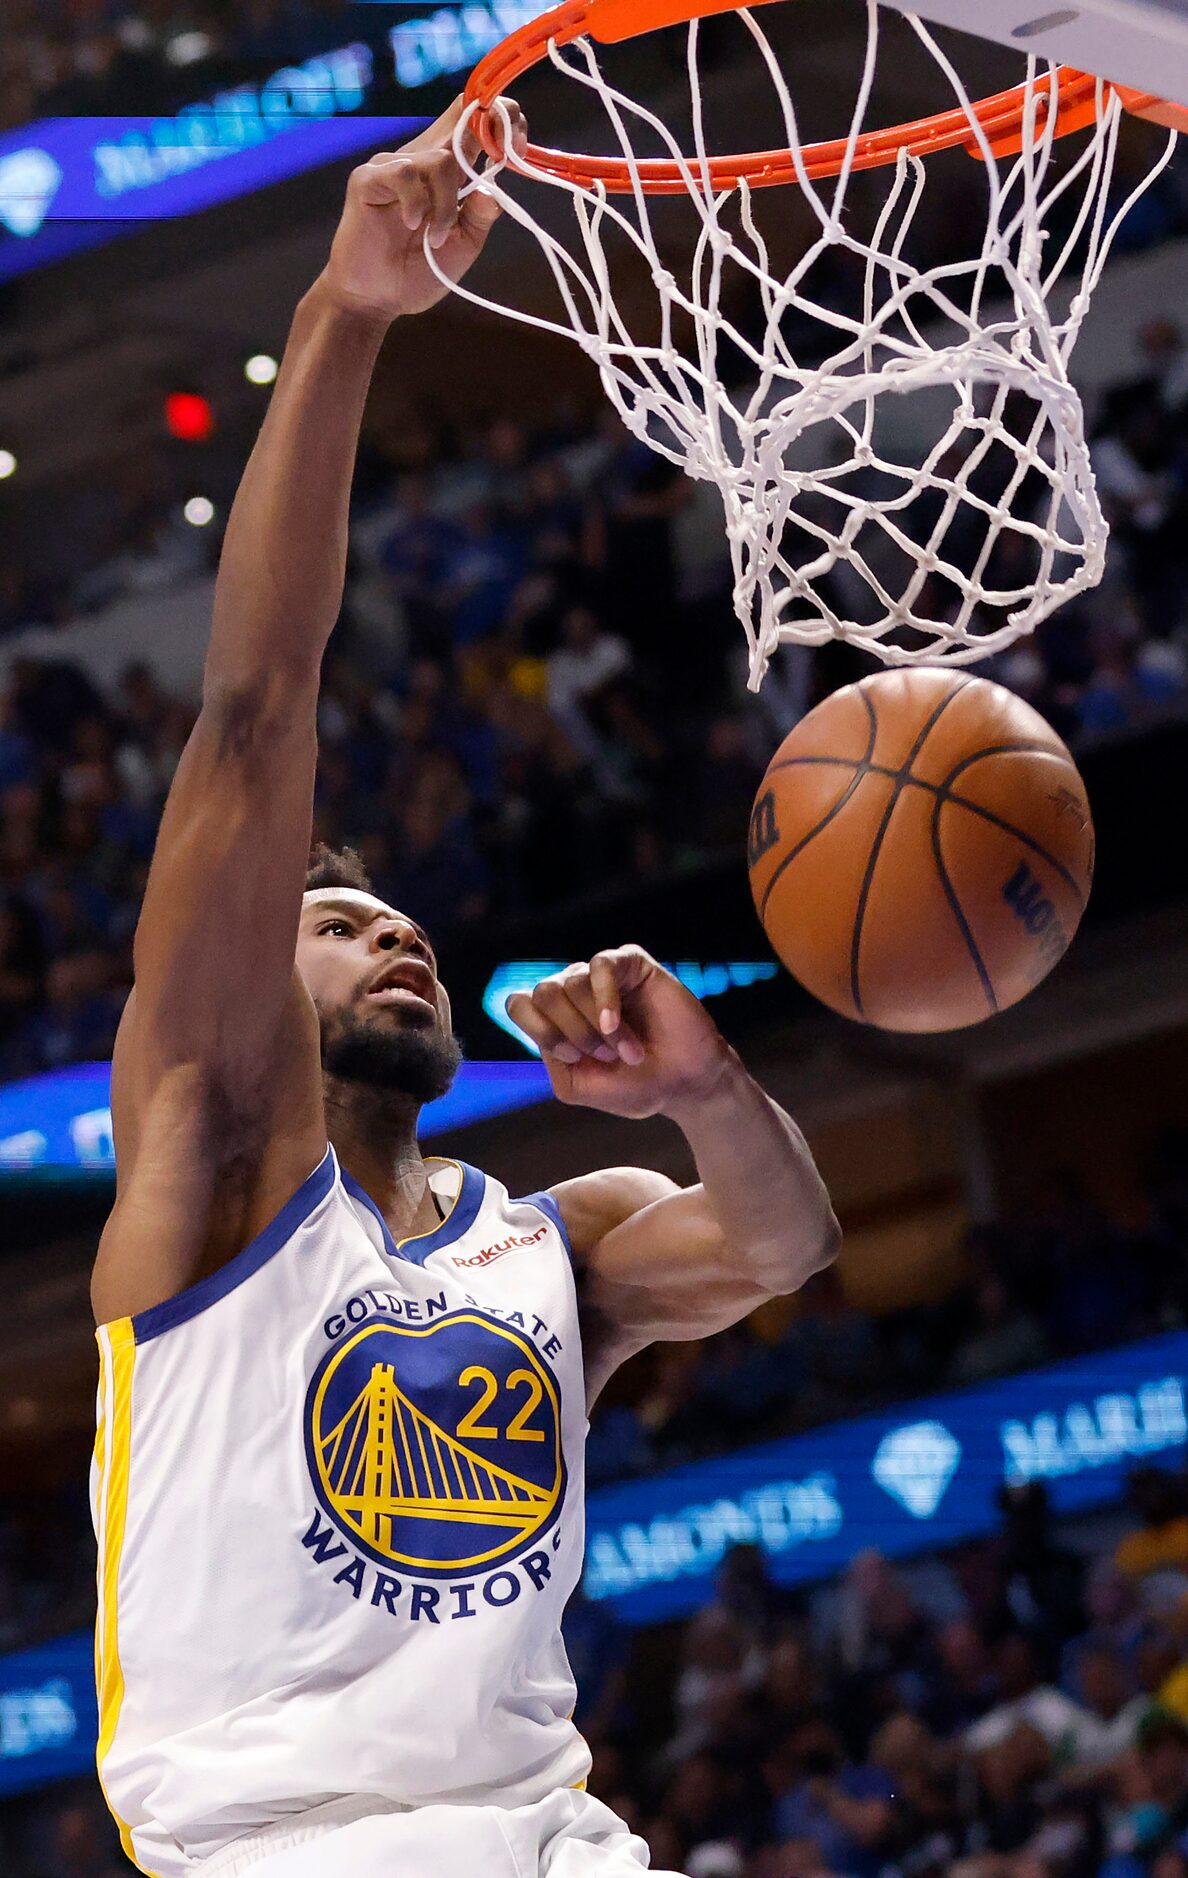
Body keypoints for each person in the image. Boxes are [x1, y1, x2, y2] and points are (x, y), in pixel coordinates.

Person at [88, 101, 840, 1878]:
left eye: (407, 924)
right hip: (288, 1843)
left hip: (551, 1831)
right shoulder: (207, 1152)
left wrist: (709, 1092)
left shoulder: (548, 1241)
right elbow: (263, 695)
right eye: (341, 921)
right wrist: (350, 315)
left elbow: (782, 1250)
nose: (396, 934)